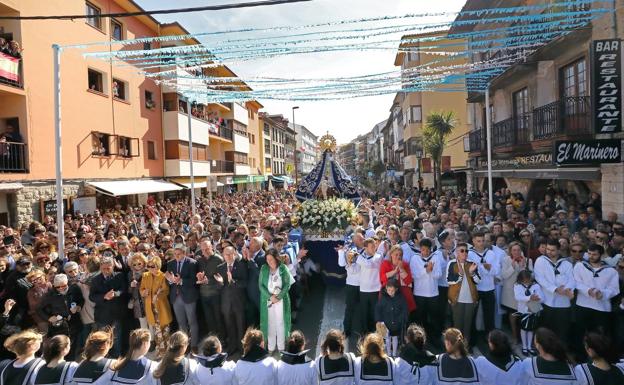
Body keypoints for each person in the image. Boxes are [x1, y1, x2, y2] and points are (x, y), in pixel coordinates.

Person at [573, 244, 619, 342]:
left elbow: (614, 289)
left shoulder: (611, 271)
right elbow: (576, 282)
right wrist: (588, 290)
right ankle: (582, 356)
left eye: (594, 254)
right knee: (581, 335)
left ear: (601, 255)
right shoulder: (580, 266)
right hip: (583, 306)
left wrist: (602, 294)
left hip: (602, 308)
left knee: (600, 337)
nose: (591, 256)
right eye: (589, 253)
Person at [533, 240, 575, 344]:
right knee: (546, 330)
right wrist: (555, 289)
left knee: (562, 331)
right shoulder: (540, 260)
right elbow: (540, 278)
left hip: (563, 303)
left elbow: (572, 279)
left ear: (558, 250)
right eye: (548, 249)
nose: (549, 252)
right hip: (547, 301)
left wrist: (567, 289)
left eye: (552, 250)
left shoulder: (567, 264)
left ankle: (561, 352)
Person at [36, 273, 84, 359]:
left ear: (67, 283)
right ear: (54, 285)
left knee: (74, 348)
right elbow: (39, 309)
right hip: (59, 326)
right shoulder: (50, 295)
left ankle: (70, 363)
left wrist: (79, 307)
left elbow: (81, 299)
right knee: (61, 348)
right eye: (58, 287)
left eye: (64, 286)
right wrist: (49, 318)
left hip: (74, 323)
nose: (61, 288)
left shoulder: (74, 288)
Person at [89, 256, 127, 357]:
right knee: (104, 337)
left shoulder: (119, 276)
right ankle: (105, 356)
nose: (106, 271)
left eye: (108, 268)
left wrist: (116, 294)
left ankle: (116, 357)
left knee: (117, 337)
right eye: (104, 268)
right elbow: (92, 296)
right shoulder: (95, 280)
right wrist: (104, 297)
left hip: (117, 312)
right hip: (103, 314)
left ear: (113, 266)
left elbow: (124, 290)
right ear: (100, 267)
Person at [165, 244, 199, 353]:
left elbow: (194, 281)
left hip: (189, 296)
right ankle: (185, 344)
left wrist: (181, 281)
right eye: (175, 254)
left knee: (192, 321)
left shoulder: (192, 263)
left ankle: (194, 345)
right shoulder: (170, 263)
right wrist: (170, 280)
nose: (176, 256)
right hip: (176, 297)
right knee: (181, 322)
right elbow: (169, 280)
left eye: (179, 254)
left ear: (184, 253)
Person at [446, 243, 480, 348]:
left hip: (470, 299)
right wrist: (460, 275)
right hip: (456, 299)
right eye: (462, 251)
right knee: (457, 326)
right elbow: (449, 280)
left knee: (468, 326)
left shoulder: (472, 264)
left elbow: (478, 281)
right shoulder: (451, 263)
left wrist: (472, 273)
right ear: (456, 253)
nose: (465, 253)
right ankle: (456, 348)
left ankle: (465, 348)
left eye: (466, 251)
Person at [215, 246, 248, 355]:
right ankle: (233, 346)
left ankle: (242, 348)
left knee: (241, 326)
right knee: (230, 327)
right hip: (226, 303)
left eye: (230, 254)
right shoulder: (220, 267)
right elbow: (219, 288)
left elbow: (245, 283)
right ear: (223, 255)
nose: (228, 256)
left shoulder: (242, 266)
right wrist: (220, 283)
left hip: (239, 302)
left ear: (235, 254)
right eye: (226, 254)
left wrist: (233, 281)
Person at [468, 232, 500, 341]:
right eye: (478, 241)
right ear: (473, 241)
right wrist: (483, 268)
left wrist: (488, 269)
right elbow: (472, 271)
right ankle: (472, 339)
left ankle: (490, 338)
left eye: (483, 241)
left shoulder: (491, 253)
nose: (481, 243)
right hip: (476, 289)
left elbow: (496, 271)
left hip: (489, 288)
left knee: (489, 315)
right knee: (472, 315)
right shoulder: (470, 254)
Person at [410, 238, 442, 341]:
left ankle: (435, 338)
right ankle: (420, 339)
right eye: (423, 250)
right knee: (420, 318)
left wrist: (431, 271)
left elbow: (439, 275)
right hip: (419, 293)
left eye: (428, 250)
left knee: (434, 318)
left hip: (433, 293)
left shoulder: (435, 258)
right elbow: (414, 275)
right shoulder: (415, 258)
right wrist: (426, 270)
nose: (425, 252)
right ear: (420, 249)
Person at [500, 242, 533, 345]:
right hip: (510, 293)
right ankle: (515, 336)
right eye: (514, 250)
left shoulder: (528, 261)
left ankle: (525, 338)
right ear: (510, 251)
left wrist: (523, 267)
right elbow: (504, 276)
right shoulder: (506, 260)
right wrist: (512, 267)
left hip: (523, 293)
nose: (516, 252)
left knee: (524, 315)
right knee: (513, 315)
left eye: (518, 250)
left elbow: (531, 277)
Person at [140, 256, 172, 359]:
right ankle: (160, 351)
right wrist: (143, 292)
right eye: (148, 266)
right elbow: (142, 289)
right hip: (151, 308)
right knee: (157, 331)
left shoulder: (162, 276)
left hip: (161, 307)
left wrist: (157, 296)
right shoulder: (145, 275)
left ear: (158, 266)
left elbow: (166, 290)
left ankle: (168, 352)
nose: (150, 268)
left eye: (152, 266)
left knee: (165, 330)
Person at [196, 240, 224, 339]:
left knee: (218, 318)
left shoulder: (219, 259)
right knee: (209, 318)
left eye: (207, 249)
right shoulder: (200, 261)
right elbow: (199, 275)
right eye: (203, 250)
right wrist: (199, 278)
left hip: (216, 294)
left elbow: (222, 278)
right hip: (204, 294)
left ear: (211, 247)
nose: (205, 251)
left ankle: (222, 339)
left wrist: (209, 281)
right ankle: (213, 338)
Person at [337, 233, 363, 337]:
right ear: (355, 241)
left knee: (362, 308)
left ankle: (361, 329)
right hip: (352, 284)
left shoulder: (366, 250)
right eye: (361, 239)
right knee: (350, 308)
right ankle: (347, 330)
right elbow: (341, 264)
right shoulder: (349, 250)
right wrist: (341, 252)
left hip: (363, 284)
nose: (363, 240)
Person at [374, 278, 407, 357]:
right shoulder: (383, 298)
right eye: (389, 290)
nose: (390, 292)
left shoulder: (401, 298)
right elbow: (378, 309)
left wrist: (401, 319)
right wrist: (379, 320)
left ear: (396, 289)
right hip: (386, 322)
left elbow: (404, 310)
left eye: (392, 290)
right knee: (387, 339)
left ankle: (394, 353)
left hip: (396, 322)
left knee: (395, 338)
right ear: (386, 289)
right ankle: (388, 353)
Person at [513, 270, 543, 356]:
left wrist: (537, 297)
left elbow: (541, 296)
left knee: (531, 328)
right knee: (523, 328)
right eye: (524, 280)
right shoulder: (517, 286)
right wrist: (530, 297)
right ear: (520, 279)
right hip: (524, 310)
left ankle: (529, 346)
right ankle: (524, 347)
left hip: (533, 310)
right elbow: (517, 297)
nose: (526, 282)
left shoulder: (535, 285)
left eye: (528, 280)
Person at [379, 245, 416, 315]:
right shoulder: (385, 263)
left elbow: (408, 281)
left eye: (400, 255)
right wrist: (394, 272)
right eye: (396, 254)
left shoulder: (405, 265)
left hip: (403, 296)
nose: (398, 257)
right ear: (391, 254)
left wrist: (402, 269)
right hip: (388, 296)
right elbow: (382, 278)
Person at [356, 238, 382, 333]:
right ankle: (364, 332)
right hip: (364, 289)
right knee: (364, 312)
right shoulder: (360, 257)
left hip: (376, 289)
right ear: (365, 248)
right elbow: (368, 264)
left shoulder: (379, 256)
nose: (374, 248)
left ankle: (374, 332)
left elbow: (369, 264)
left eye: (375, 246)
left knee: (374, 312)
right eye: (372, 247)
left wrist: (364, 259)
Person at [128, 253, 147, 331]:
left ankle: (153, 342)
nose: (137, 266)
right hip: (138, 303)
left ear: (143, 262)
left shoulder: (148, 272)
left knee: (152, 324)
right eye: (134, 264)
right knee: (143, 325)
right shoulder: (130, 274)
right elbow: (129, 291)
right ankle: (146, 342)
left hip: (148, 300)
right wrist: (131, 286)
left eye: (139, 263)